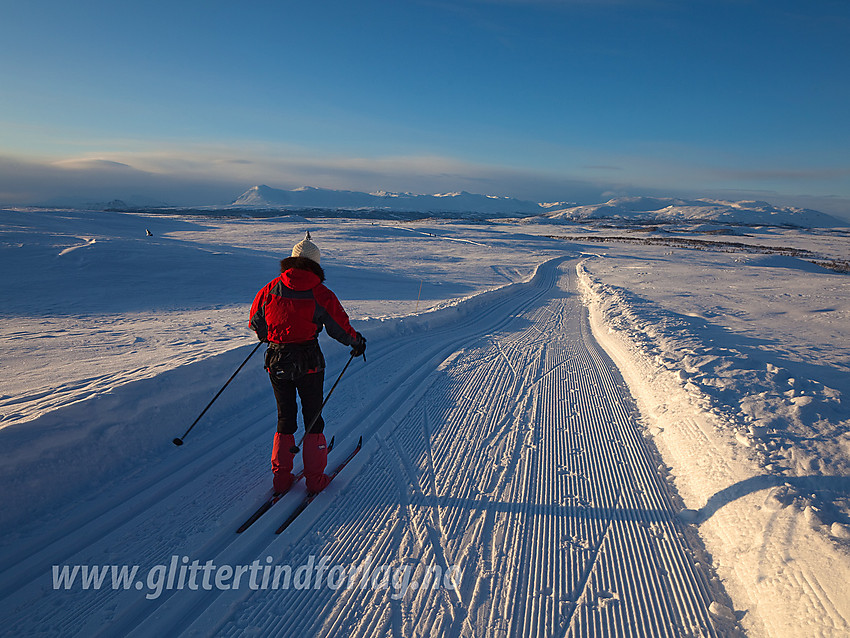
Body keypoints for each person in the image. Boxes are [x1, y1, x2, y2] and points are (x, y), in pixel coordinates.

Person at [249, 232, 366, 494]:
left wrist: (273, 335)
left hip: (277, 361)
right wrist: (356, 342)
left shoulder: (270, 288)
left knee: (284, 418)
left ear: (291, 261)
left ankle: (281, 479)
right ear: (315, 263)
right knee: (313, 418)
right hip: (310, 363)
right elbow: (339, 328)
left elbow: (257, 324)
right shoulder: (320, 292)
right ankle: (315, 479)